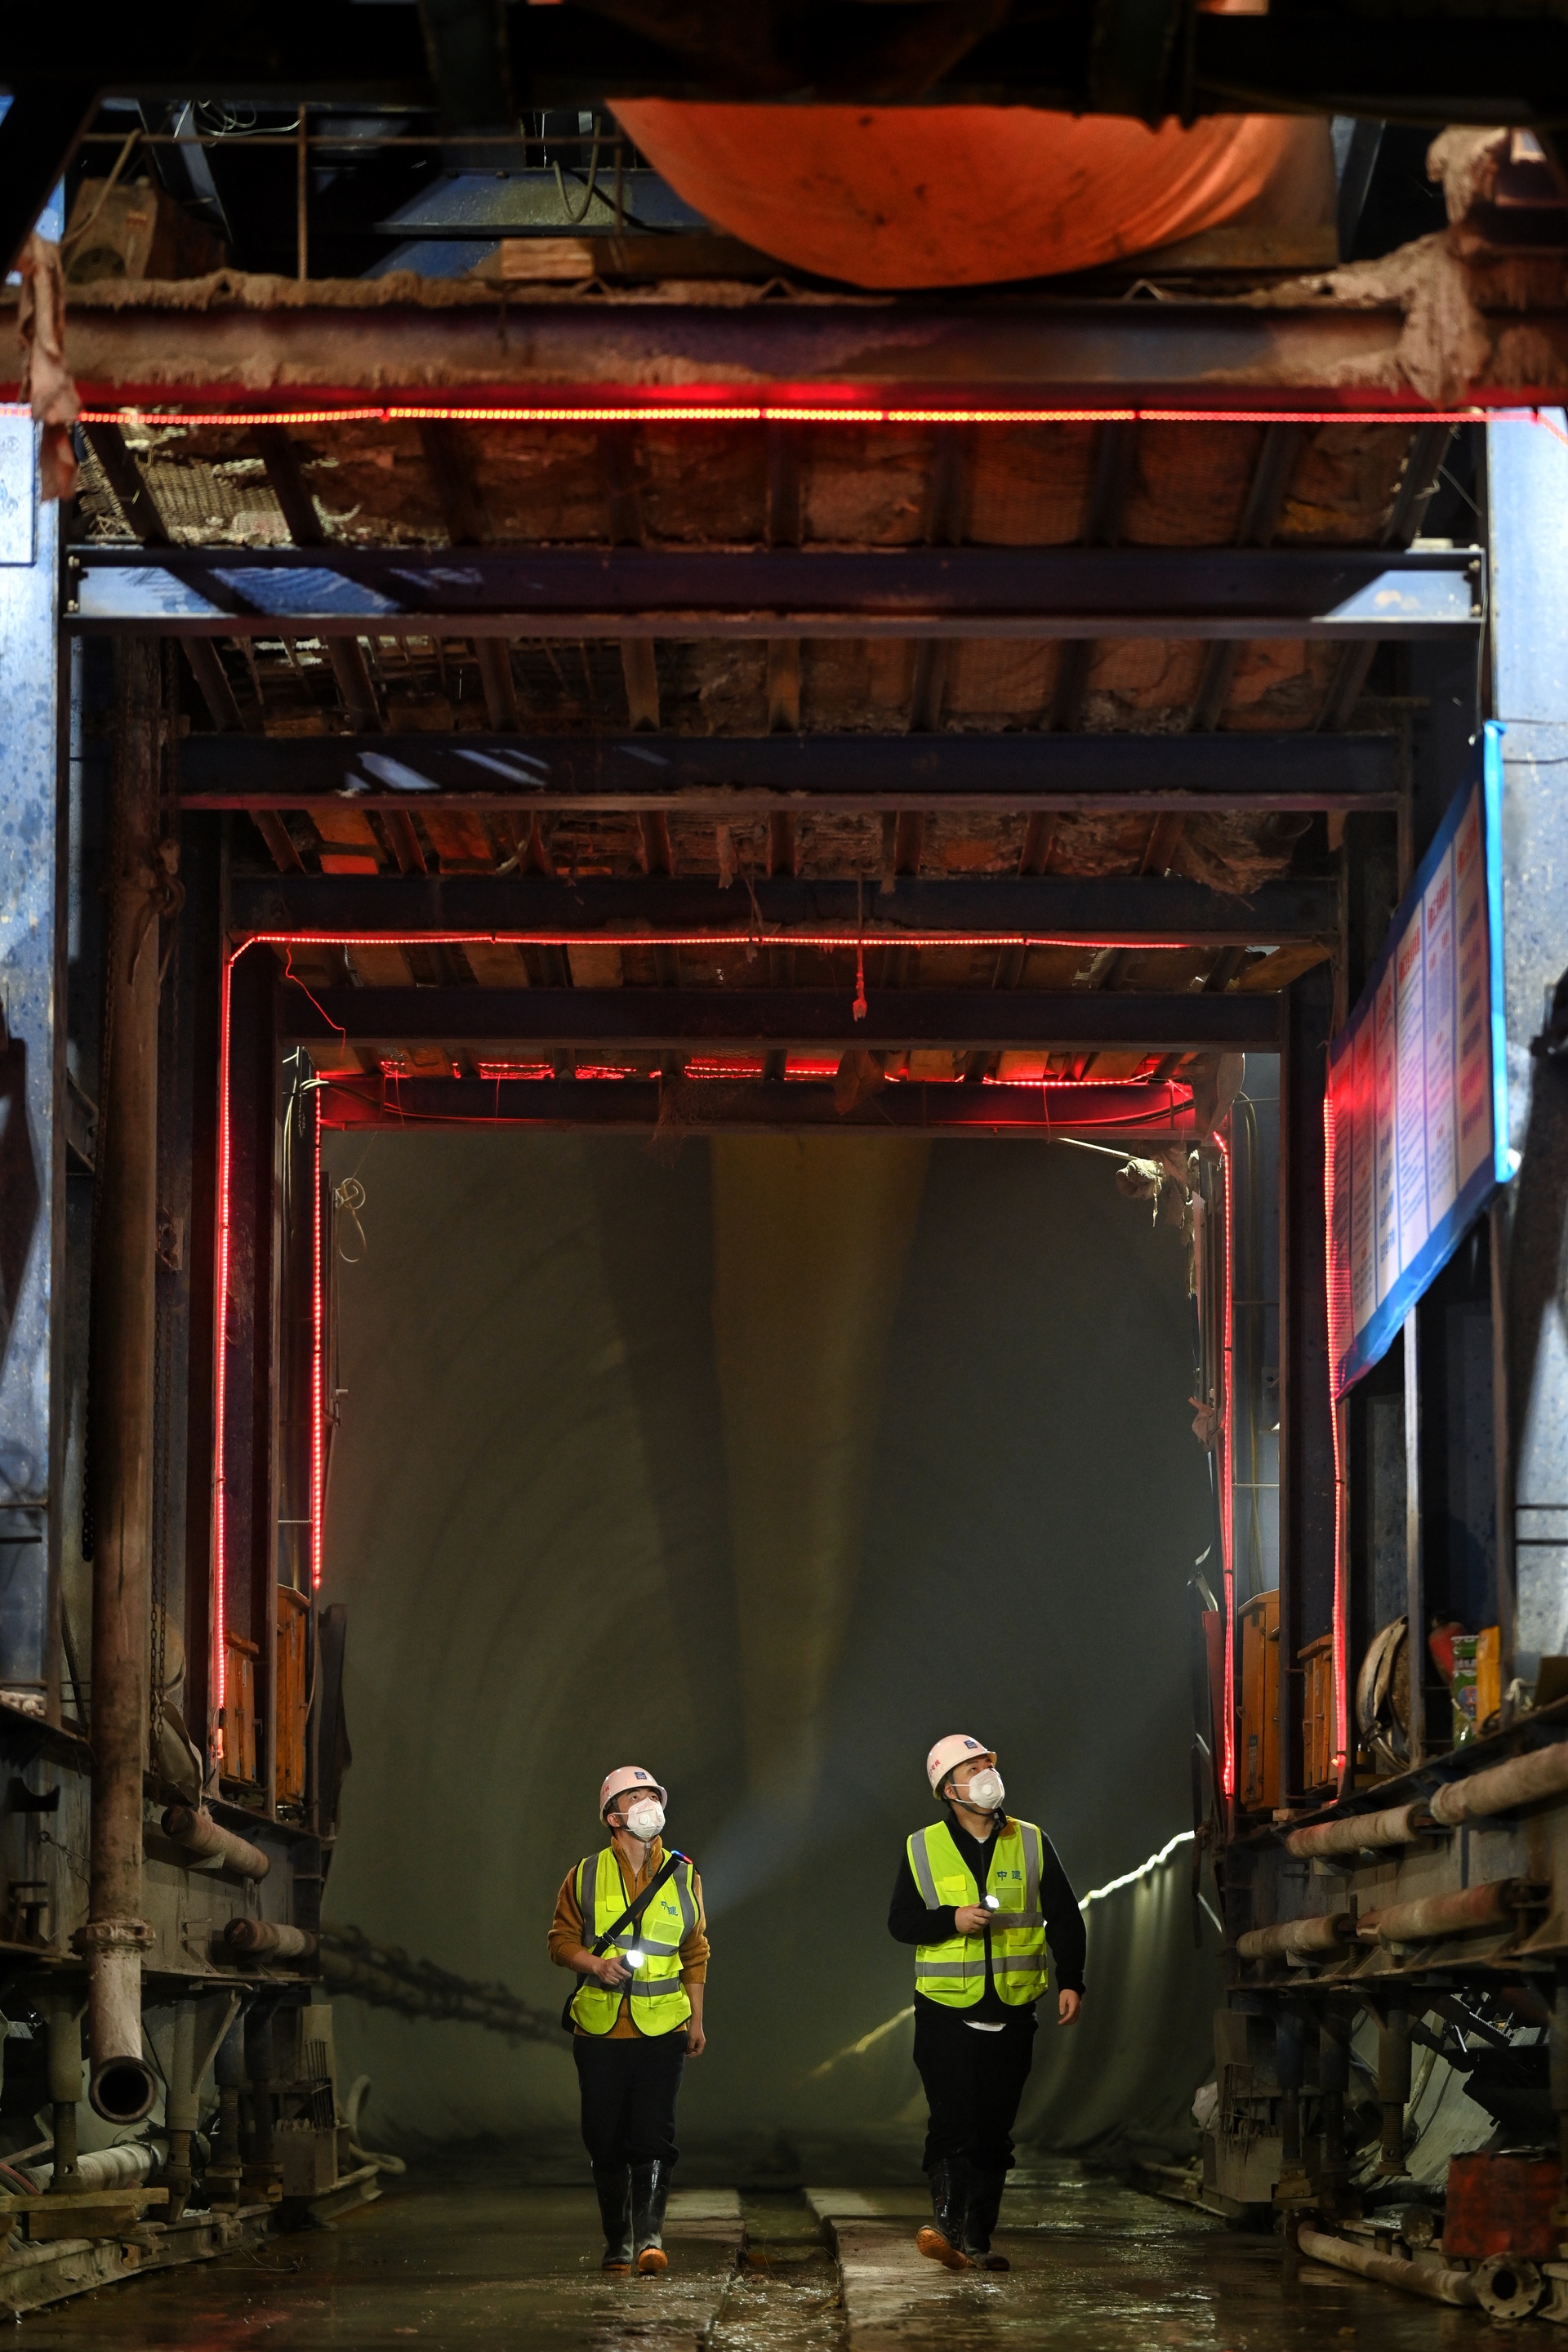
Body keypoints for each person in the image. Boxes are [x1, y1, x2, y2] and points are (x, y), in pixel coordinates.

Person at [888, 1734, 1085, 2272]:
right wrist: (950, 1919)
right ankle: (947, 2229)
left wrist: (1072, 1979)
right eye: (971, 1768)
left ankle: (976, 2239)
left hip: (1014, 2008)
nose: (985, 1775)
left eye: (987, 1765)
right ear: (948, 1789)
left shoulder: (1031, 1840)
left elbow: (1065, 1915)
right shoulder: (922, 1846)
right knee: (952, 2121)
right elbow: (901, 1922)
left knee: (995, 2131)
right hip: (945, 2010)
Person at [549, 1766, 708, 2276]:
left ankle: (649, 2240)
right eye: (634, 1797)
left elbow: (695, 1951)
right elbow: (559, 1942)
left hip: (664, 2027)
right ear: (612, 1817)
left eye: (651, 1795)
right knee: (604, 2137)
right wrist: (595, 1965)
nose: (647, 1805)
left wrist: (696, 2021)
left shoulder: (684, 1874)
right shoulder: (584, 1873)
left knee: (654, 2135)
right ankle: (617, 2242)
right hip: (599, 2028)